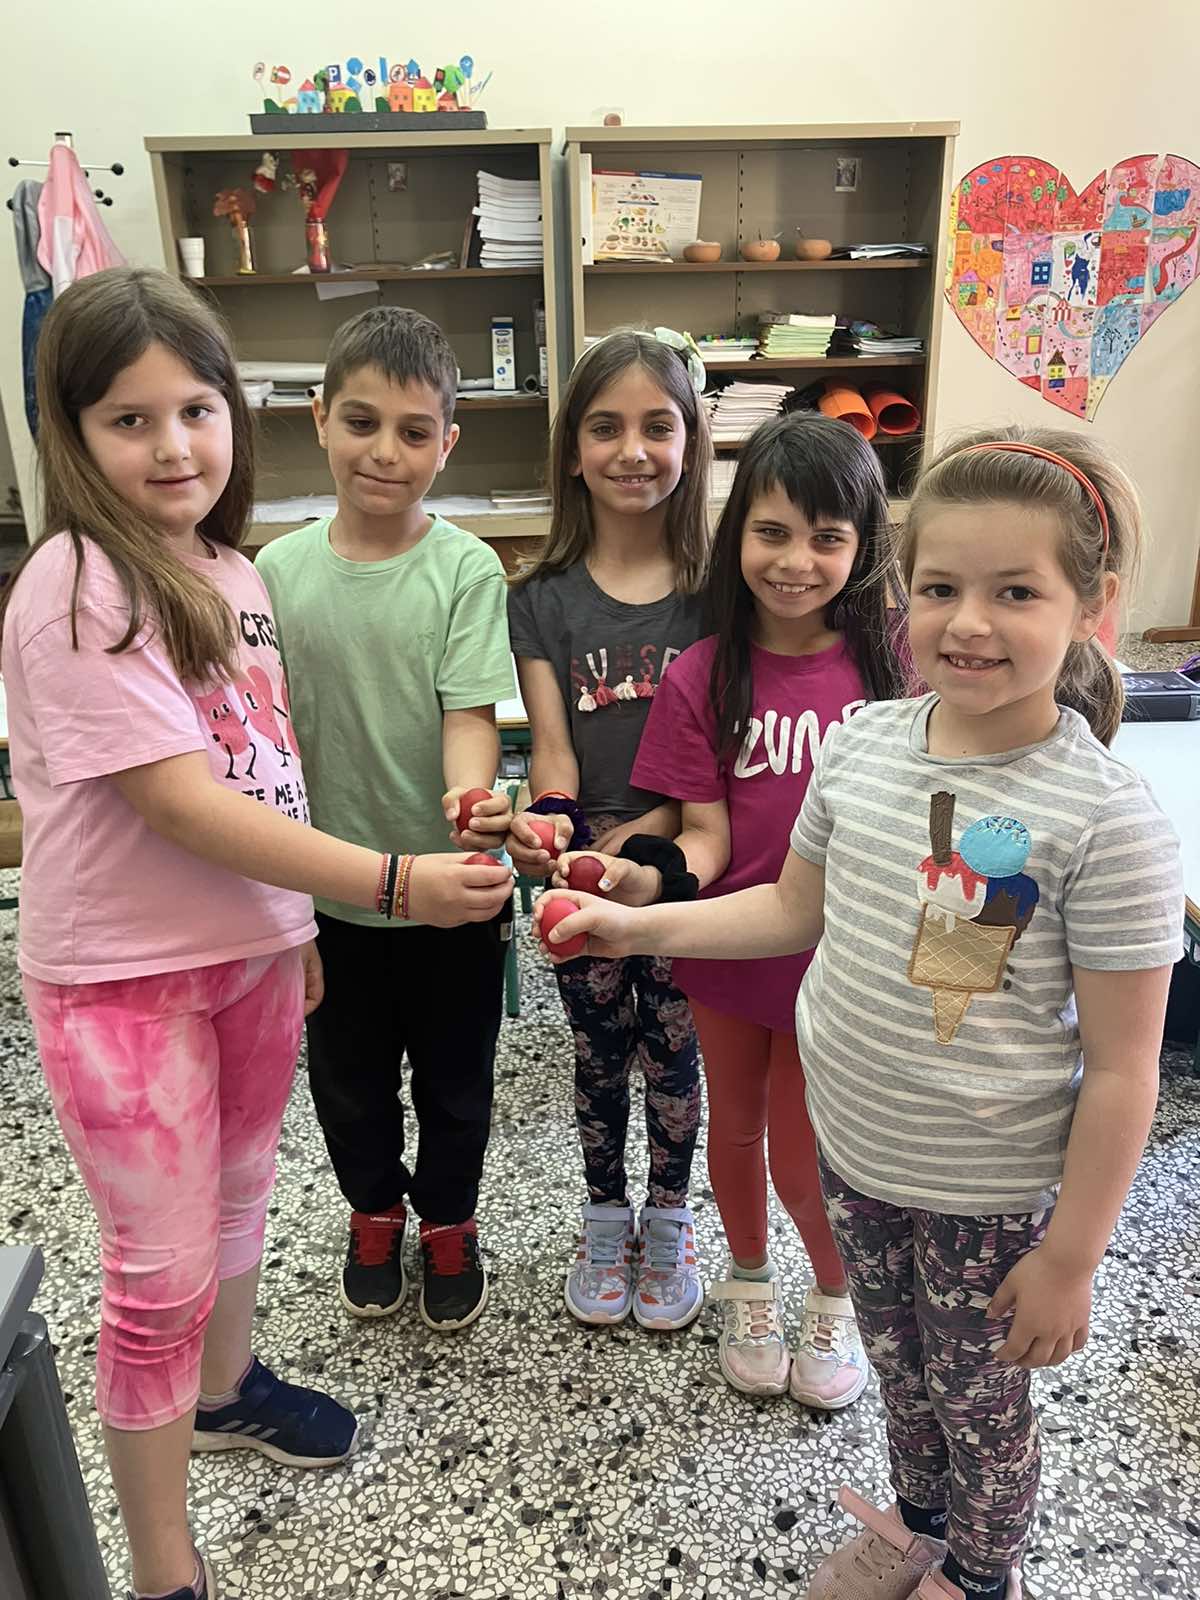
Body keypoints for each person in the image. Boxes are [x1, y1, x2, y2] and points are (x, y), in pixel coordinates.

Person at [536, 426, 1183, 1600]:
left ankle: (978, 1576)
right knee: (902, 1377)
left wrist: (1074, 1257)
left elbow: (1125, 1070)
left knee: (980, 1408)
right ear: (903, 592)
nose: (968, 623)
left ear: (1092, 607)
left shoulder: (1108, 818)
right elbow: (791, 907)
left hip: (986, 1195)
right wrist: (637, 926)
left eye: (1015, 592)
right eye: (940, 588)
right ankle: (919, 1528)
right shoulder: (864, 743)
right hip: (861, 1161)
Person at [0, 267, 512, 1600]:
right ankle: (164, 1565)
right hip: (125, 984)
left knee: (237, 1204)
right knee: (156, 1277)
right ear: (73, 433)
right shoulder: (76, 584)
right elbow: (180, 803)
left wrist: (292, 927)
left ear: (236, 413)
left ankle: (226, 1392)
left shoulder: (230, 571)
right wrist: (388, 884)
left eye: (195, 410)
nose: (172, 445)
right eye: (128, 419)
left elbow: (267, 767)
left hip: (251, 959)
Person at [567, 412, 907, 1406]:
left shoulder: (895, 667)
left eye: (827, 537)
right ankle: (750, 1286)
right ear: (736, 533)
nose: (796, 562)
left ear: (863, 544)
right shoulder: (702, 674)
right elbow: (706, 840)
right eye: (772, 532)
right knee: (735, 1132)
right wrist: (639, 876)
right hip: (726, 951)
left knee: (806, 1158)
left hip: (837, 965)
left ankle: (835, 1297)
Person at [257, 306, 515, 1335]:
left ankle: (448, 1220)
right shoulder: (272, 576)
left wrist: (469, 800)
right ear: (320, 418)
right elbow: (267, 751)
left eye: (414, 432)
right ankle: (373, 1213)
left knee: (458, 1085)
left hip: (451, 896)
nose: (385, 452)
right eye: (361, 423)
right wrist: (281, 904)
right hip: (329, 899)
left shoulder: (467, 568)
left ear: (448, 442)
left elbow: (469, 716)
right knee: (348, 1087)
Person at [506, 328, 711, 1332]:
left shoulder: (718, 595)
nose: (633, 451)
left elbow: (711, 772)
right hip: (581, 875)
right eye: (605, 428)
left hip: (679, 873)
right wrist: (555, 833)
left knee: (673, 1054)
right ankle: (603, 1216)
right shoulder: (540, 598)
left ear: (691, 442)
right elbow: (551, 749)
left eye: (657, 427)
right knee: (596, 1055)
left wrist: (639, 850)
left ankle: (667, 1220)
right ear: (573, 451)